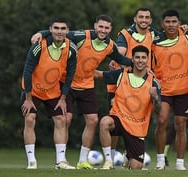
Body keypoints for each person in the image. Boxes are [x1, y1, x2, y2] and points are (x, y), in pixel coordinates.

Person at [31, 15, 132, 169]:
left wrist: (139, 64)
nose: (103, 30)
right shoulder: (81, 36)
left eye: (106, 28)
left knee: (93, 120)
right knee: (66, 120)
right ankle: (61, 160)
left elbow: (122, 59)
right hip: (67, 83)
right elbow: (60, 33)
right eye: (100, 27)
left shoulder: (110, 46)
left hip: (87, 85)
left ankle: (82, 161)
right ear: (95, 26)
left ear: (110, 29)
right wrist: (42, 33)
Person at [21, 18, 77, 169]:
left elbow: (70, 75)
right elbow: (27, 71)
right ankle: (32, 162)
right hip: (32, 90)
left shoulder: (71, 49)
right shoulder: (39, 45)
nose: (59, 31)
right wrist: (28, 98)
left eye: (63, 28)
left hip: (53, 91)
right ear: (50, 29)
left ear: (67, 31)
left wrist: (63, 98)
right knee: (30, 118)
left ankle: (60, 162)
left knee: (61, 119)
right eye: (56, 28)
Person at [94, 45, 161, 170]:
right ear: (132, 59)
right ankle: (109, 161)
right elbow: (98, 75)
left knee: (136, 167)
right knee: (104, 122)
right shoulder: (121, 73)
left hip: (137, 127)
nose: (140, 60)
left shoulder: (154, 82)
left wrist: (155, 98)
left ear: (147, 60)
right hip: (119, 118)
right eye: (137, 57)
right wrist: (81, 64)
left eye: (143, 58)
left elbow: (158, 111)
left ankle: (128, 155)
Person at [106, 8, 158, 159]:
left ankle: (131, 153)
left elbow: (169, 35)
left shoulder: (153, 33)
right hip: (121, 81)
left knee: (139, 116)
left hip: (142, 82)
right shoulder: (126, 33)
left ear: (151, 20)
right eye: (140, 17)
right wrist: (117, 59)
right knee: (115, 119)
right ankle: (111, 157)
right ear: (135, 19)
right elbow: (120, 50)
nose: (144, 20)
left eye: (147, 17)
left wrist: (184, 29)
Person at [152, 9, 188, 170]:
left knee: (180, 125)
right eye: (167, 22)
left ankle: (180, 163)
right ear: (162, 24)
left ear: (179, 23)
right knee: (162, 121)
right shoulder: (155, 40)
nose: (171, 25)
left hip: (183, 89)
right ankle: (160, 160)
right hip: (163, 90)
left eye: (174, 22)